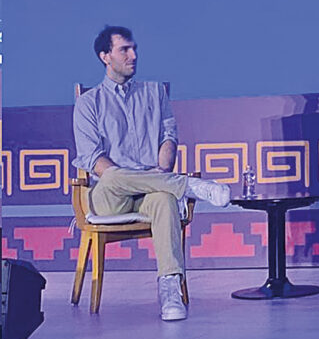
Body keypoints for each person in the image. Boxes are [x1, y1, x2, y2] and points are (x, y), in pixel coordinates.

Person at [72, 26, 231, 321]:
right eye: (124, 50)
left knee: (164, 200)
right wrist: (141, 178)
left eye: (134, 49)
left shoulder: (155, 93)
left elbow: (168, 138)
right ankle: (191, 186)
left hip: (150, 188)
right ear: (105, 56)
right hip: (110, 196)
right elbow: (93, 159)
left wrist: (161, 170)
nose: (133, 56)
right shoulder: (88, 102)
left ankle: (169, 290)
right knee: (115, 175)